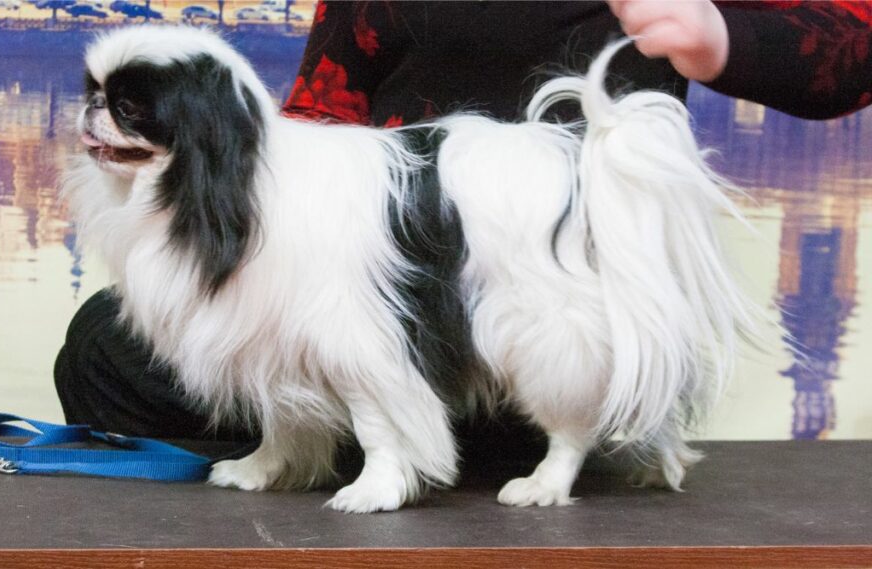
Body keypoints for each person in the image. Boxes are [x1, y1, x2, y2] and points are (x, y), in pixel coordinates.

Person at [54, 1, 872, 452]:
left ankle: (521, 437)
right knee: (105, 352)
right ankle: (352, 440)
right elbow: (314, 118)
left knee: (541, 358)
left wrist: (720, 33)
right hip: (380, 286)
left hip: (556, 286)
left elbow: (853, 42)